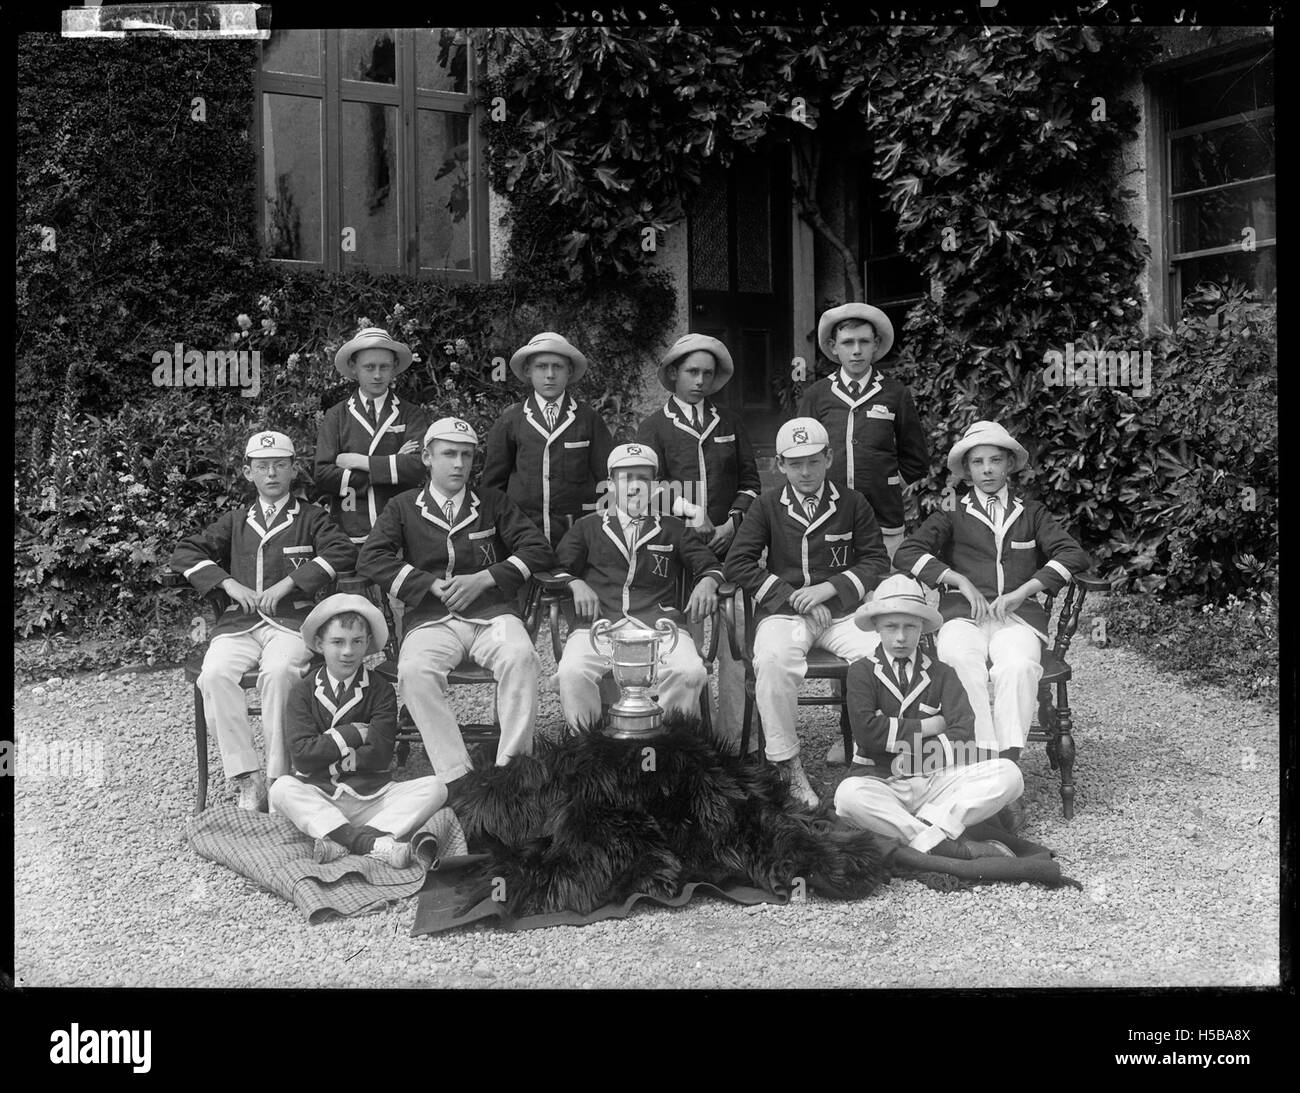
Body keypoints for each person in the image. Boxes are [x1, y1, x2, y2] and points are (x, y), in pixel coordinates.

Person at [893, 419, 1090, 833]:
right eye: (977, 462)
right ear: (966, 470)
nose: (986, 469)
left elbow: (1073, 555)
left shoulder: (1030, 513)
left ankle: (1006, 774)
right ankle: (982, 766)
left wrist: (1026, 591)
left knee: (1017, 667)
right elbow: (907, 553)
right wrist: (958, 580)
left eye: (995, 461)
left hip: (1016, 618)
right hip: (963, 616)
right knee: (956, 659)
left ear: (1009, 466)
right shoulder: (951, 514)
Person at [356, 417, 557, 805]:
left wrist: (484, 578)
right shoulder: (402, 507)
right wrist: (427, 583)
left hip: (492, 615)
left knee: (520, 655)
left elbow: (537, 549)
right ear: (428, 458)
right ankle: (459, 779)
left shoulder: (494, 503)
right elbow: (371, 559)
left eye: (466, 455)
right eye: (449, 454)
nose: (459, 463)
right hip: (432, 620)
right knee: (414, 671)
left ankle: (511, 773)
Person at [169, 431, 357, 811]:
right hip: (239, 624)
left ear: (293, 469)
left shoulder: (311, 517)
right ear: (248, 472)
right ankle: (246, 778)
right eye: (262, 466)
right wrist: (227, 583)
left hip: (291, 622)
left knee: (281, 672)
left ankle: (279, 775)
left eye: (279, 465)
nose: (271, 473)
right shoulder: (236, 520)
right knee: (215, 673)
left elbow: (342, 552)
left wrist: (292, 582)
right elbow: (186, 552)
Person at [723, 417, 890, 810]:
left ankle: (873, 756)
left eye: (813, 461)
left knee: (880, 657)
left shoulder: (853, 502)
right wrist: (791, 596)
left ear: (829, 458)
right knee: (773, 659)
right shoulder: (766, 505)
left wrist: (830, 589)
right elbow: (738, 563)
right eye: (795, 463)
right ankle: (787, 765)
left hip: (843, 614)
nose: (805, 471)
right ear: (780, 465)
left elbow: (876, 560)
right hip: (787, 614)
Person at [834, 574, 1022, 859]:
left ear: (922, 627)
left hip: (936, 779)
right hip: (881, 781)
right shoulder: (861, 672)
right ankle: (945, 842)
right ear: (876, 627)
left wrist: (899, 746)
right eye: (891, 626)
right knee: (847, 797)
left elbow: (964, 732)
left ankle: (922, 831)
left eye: (910, 626)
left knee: (1009, 774)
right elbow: (866, 734)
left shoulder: (942, 672)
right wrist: (929, 725)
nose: (900, 637)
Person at [635, 333, 760, 747]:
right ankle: (690, 740)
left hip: (729, 546)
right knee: (683, 644)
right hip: (678, 551)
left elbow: (750, 482)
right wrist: (692, 513)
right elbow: (644, 487)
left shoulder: (729, 422)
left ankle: (736, 743)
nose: (700, 380)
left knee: (737, 640)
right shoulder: (653, 427)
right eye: (692, 371)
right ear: (674, 374)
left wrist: (734, 522)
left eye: (708, 373)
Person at [552, 443, 723, 732]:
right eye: (625, 478)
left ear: (655, 486)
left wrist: (708, 581)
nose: (634, 487)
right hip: (600, 625)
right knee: (571, 672)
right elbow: (555, 568)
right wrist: (574, 582)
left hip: (658, 625)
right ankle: (589, 753)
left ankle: (670, 750)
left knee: (690, 672)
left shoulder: (673, 527)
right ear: (609, 484)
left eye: (643, 479)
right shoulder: (588, 526)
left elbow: (710, 564)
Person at [269, 594, 448, 868]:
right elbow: (302, 757)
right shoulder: (302, 691)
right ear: (319, 644)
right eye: (337, 642)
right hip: (322, 794)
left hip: (372, 796)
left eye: (357, 642)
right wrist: (351, 734)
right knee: (282, 788)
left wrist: (325, 750)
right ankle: (371, 844)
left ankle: (342, 838)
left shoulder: (380, 690)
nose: (347, 652)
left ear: (367, 646)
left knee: (436, 787)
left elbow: (378, 755)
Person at [796, 303, 928, 561]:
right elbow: (800, 453)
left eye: (864, 342)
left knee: (883, 588)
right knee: (833, 586)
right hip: (828, 513)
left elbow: (917, 458)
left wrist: (888, 481)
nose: (856, 351)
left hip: (883, 513)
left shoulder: (895, 394)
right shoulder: (817, 395)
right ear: (834, 346)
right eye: (848, 343)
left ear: (876, 344)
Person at [481, 332, 613, 547]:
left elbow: (607, 480)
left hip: (577, 533)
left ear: (569, 371)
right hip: (523, 533)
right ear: (528, 371)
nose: (550, 374)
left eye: (558, 367)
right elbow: (494, 485)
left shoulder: (588, 419)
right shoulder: (510, 421)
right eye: (542, 366)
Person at [313, 326, 431, 548]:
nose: (377, 375)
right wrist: (389, 466)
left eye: (384, 367)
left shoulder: (410, 413)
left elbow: (417, 466)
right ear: (353, 367)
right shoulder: (337, 415)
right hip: (350, 527)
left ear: (394, 368)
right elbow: (323, 474)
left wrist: (359, 462)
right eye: (369, 367)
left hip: (401, 528)